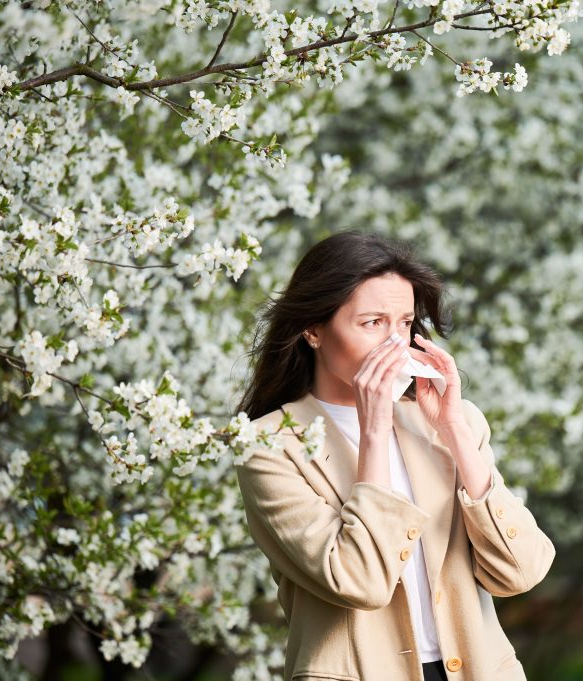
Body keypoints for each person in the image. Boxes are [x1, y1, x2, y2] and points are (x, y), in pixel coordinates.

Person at [234, 231, 556, 681]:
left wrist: (455, 431)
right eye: (372, 323)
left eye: (404, 323)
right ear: (313, 330)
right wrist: (374, 430)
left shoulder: (453, 424)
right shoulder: (269, 446)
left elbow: (521, 571)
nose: (394, 343)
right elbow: (359, 581)